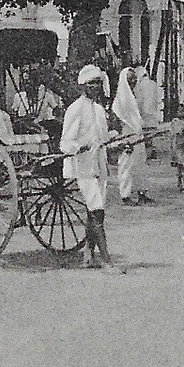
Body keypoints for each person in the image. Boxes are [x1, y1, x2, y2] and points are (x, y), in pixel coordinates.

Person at [62, 64, 113, 268]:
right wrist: (78, 147)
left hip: (99, 163)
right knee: (97, 209)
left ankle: (88, 255)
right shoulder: (75, 109)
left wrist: (117, 142)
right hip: (82, 165)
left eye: (98, 83)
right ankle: (107, 261)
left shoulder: (99, 110)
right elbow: (65, 142)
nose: (96, 87)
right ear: (83, 86)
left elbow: (103, 138)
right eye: (92, 84)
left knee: (95, 210)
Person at [112, 58, 152, 204]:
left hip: (137, 134)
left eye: (134, 79)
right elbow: (118, 122)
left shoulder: (136, 96)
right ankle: (125, 194)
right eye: (130, 80)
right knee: (126, 166)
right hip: (126, 135)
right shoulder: (120, 100)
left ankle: (142, 192)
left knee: (141, 164)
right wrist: (123, 141)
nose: (133, 82)